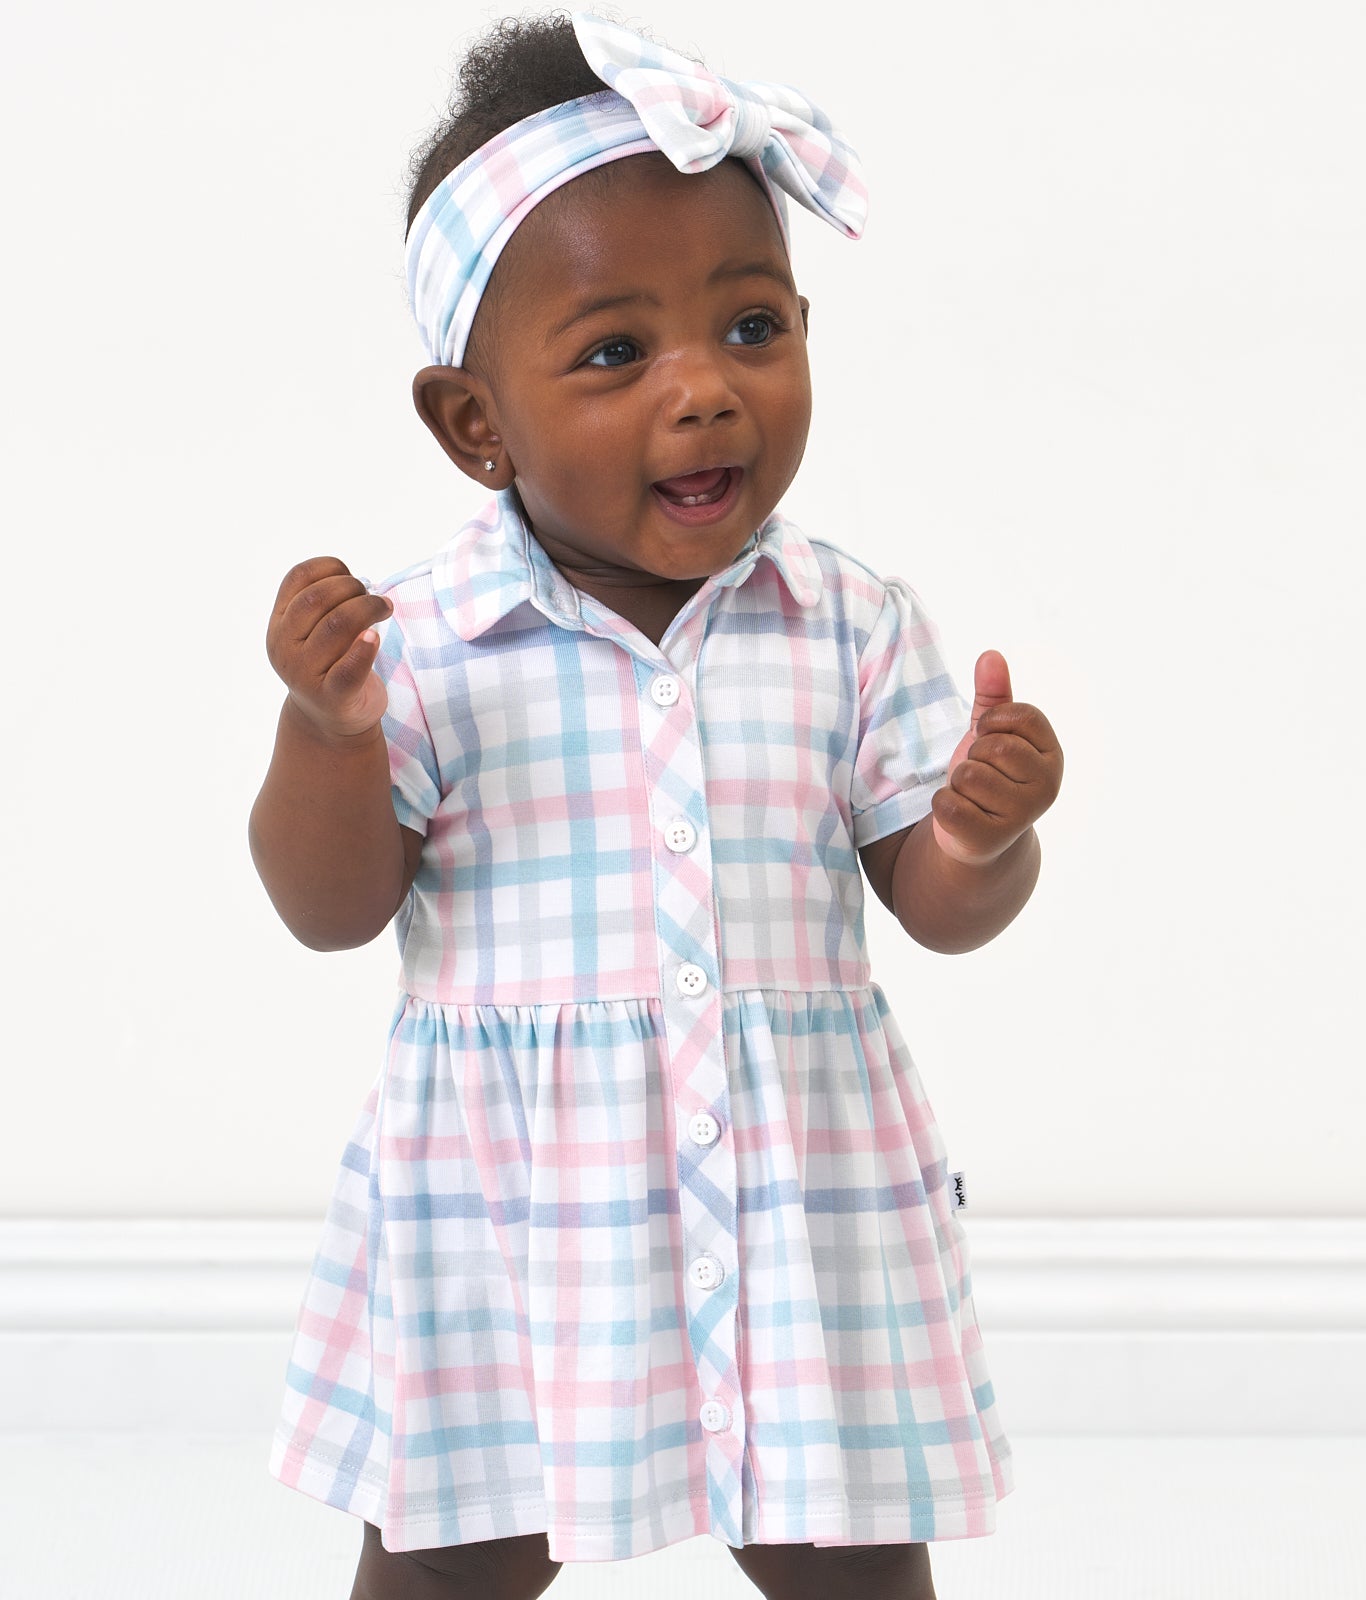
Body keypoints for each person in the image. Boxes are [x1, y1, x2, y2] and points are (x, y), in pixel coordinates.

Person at [249, 13, 1063, 1598]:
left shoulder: (850, 627)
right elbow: (328, 906)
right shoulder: (418, 649)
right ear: (475, 425)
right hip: (512, 1215)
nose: (705, 394)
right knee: (449, 1555)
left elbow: (939, 908)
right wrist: (325, 731)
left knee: (846, 1553)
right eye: (618, 355)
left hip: (793, 1198)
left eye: (751, 328)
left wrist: (979, 828)